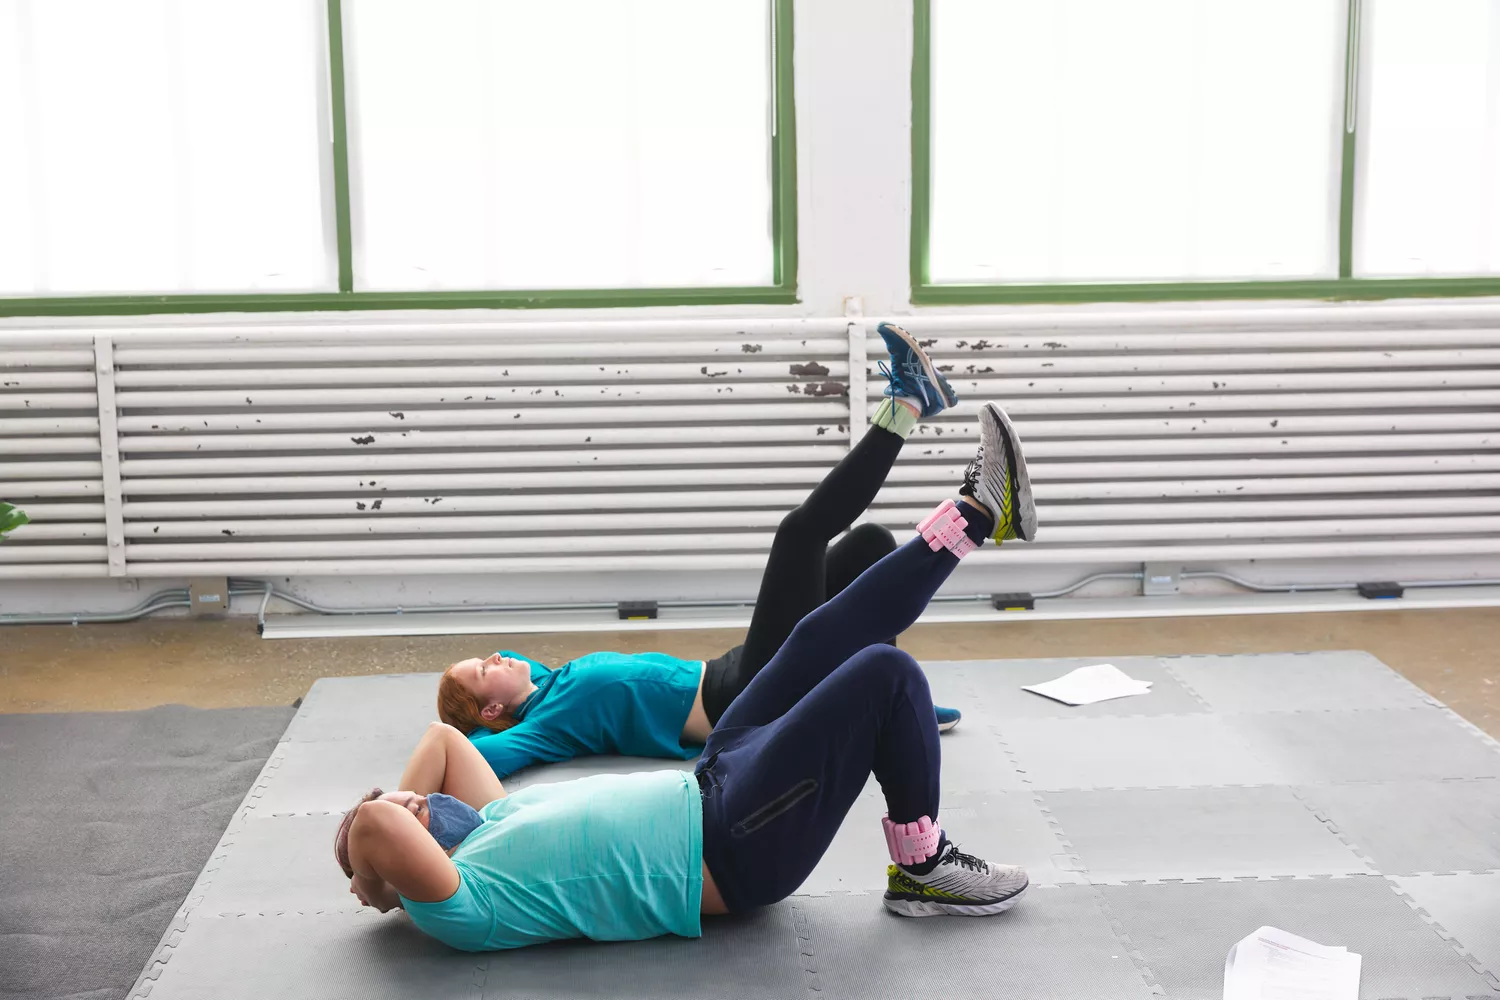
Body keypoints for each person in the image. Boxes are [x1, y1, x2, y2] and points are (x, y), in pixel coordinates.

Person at [332, 400, 1038, 952]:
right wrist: (372, 875)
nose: (403, 804)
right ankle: (923, 868)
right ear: (396, 867)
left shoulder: (490, 823)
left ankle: (976, 513)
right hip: (734, 847)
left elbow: (443, 743)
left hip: (716, 771)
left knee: (818, 635)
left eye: (395, 802)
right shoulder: (464, 904)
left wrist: (393, 811)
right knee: (884, 673)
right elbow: (373, 824)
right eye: (395, 818)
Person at [435, 323, 969, 782]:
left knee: (870, 544)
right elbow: (477, 753)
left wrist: (492, 681)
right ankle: (908, 404)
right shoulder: (546, 726)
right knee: (799, 534)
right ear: (492, 708)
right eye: (483, 670)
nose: (495, 657)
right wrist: (439, 744)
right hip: (745, 699)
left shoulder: (550, 682)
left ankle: (904, 703)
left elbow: (517, 667)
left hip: (735, 664)